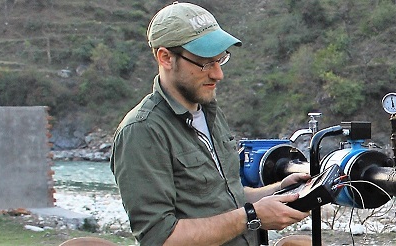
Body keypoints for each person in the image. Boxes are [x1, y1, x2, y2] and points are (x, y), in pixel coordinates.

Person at [111, 2, 310, 245]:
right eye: (205, 63)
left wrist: (279, 191)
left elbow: (224, 197)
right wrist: (251, 217)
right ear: (165, 58)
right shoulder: (142, 131)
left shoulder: (208, 112)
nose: (218, 74)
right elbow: (160, 238)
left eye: (221, 60)